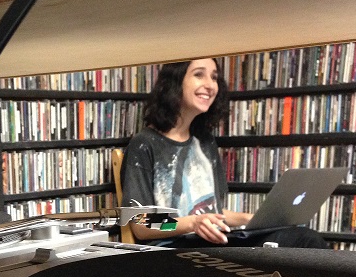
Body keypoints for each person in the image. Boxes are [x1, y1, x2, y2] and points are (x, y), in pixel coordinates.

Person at [121, 58, 327, 248]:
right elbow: (141, 224)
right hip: (174, 250)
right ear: (175, 82)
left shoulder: (204, 142)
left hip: (215, 243)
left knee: (306, 239)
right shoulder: (144, 145)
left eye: (214, 77)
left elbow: (214, 213)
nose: (210, 85)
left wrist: (252, 220)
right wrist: (192, 223)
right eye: (199, 74)